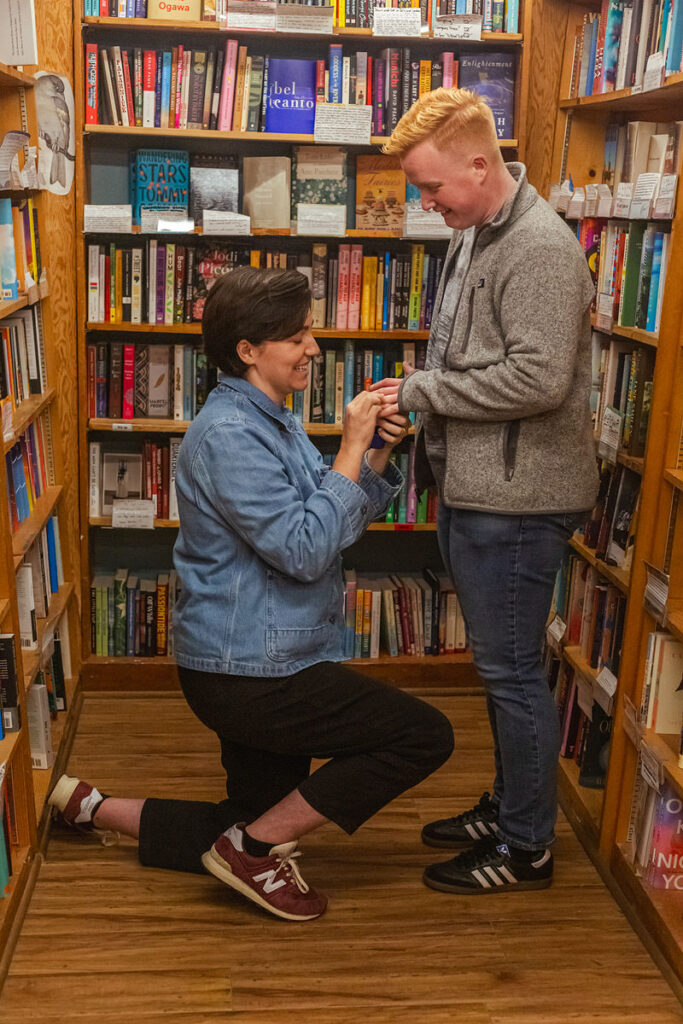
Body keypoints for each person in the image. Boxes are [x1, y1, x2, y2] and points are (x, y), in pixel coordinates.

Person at [49, 266, 454, 922]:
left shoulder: (269, 416)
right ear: (248, 350)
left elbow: (331, 519)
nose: (314, 349)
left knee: (248, 815)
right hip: (253, 672)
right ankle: (253, 851)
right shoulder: (232, 433)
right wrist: (349, 446)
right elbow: (305, 550)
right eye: (297, 337)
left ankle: (90, 807)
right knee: (421, 735)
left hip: (261, 656)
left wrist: (371, 456)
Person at [371, 88, 599, 895]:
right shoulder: (476, 229)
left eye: (431, 187)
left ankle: (526, 846)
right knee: (502, 669)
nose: (424, 203)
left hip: (518, 497)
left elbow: (537, 378)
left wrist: (425, 393)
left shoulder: (536, 245)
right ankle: (508, 805)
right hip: (480, 485)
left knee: (509, 674)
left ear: (479, 163)